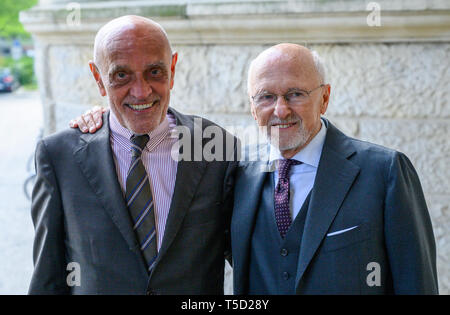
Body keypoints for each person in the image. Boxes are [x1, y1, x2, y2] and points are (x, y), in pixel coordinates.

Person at [74, 44, 438, 295]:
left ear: (324, 97)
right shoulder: (237, 173)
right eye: (266, 97)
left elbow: (416, 283)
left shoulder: (384, 172)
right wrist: (109, 117)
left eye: (295, 94)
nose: (280, 110)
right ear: (252, 107)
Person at [29, 15, 237, 295]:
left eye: (154, 71)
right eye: (121, 75)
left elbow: (253, 259)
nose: (141, 91)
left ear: (172, 70)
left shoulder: (218, 148)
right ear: (98, 79)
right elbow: (48, 278)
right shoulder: (59, 157)